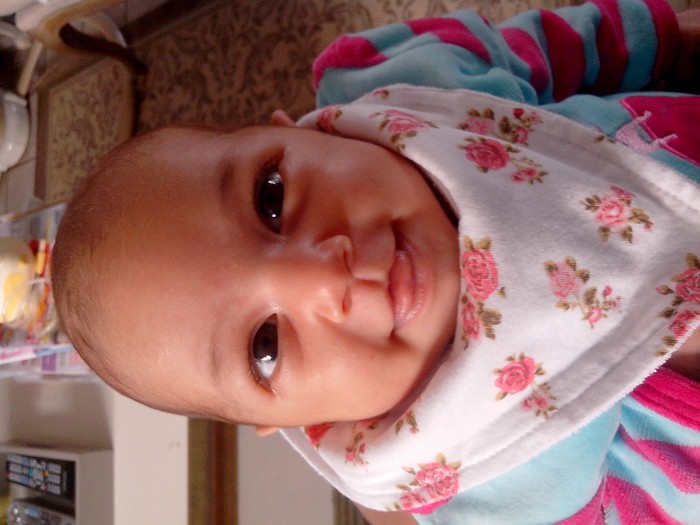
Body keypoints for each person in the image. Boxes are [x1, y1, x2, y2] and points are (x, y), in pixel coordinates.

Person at [50, 0, 700, 522]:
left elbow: (542, 46)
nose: (322, 275)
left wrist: (664, 39)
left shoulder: (404, 84)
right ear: (295, 423)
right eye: (265, 346)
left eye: (271, 198)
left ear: (292, 129)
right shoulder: (484, 477)